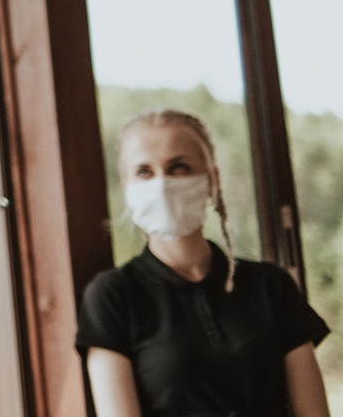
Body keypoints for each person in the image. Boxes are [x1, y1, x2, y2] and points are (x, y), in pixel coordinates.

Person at [80, 108, 331, 417]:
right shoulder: (113, 296)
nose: (162, 184)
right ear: (126, 188)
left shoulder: (270, 285)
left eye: (179, 167)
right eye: (144, 172)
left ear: (212, 179)